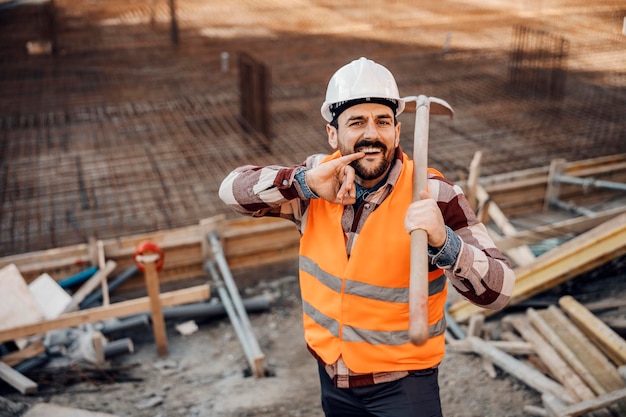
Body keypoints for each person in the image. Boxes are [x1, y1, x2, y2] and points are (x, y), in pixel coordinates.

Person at [219, 57, 515, 417]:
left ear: (397, 132)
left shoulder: (435, 194)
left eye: (382, 122)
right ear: (333, 133)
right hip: (332, 375)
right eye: (356, 122)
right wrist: (303, 182)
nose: (371, 134)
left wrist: (445, 242)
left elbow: (499, 291)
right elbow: (231, 192)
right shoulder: (314, 185)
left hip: (404, 385)